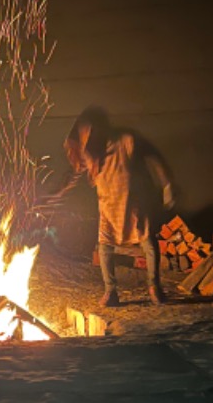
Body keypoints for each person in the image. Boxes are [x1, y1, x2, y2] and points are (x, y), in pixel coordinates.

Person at [49, 105, 175, 306]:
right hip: (108, 205)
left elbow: (154, 155)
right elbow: (77, 170)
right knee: (105, 247)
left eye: (90, 131)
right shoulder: (93, 151)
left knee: (147, 242)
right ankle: (111, 292)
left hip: (132, 202)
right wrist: (60, 193)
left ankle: (154, 287)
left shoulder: (126, 139)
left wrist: (166, 184)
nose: (87, 137)